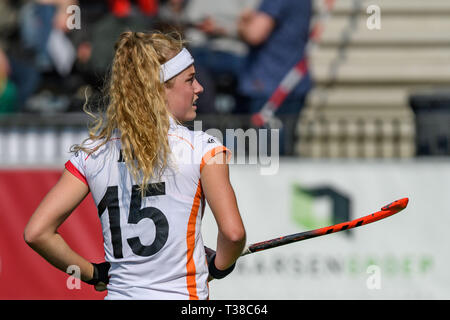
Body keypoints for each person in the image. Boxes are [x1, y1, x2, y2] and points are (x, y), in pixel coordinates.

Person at [23, 30, 246, 300]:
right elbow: (233, 235)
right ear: (159, 88)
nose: (199, 88)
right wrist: (219, 266)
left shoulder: (93, 152)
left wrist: (95, 274)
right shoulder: (203, 147)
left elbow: (37, 233)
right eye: (189, 80)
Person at [237, 0, 313, 155]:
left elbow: (254, 34)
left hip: (269, 85)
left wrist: (242, 23)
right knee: (282, 150)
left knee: (267, 156)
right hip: (289, 82)